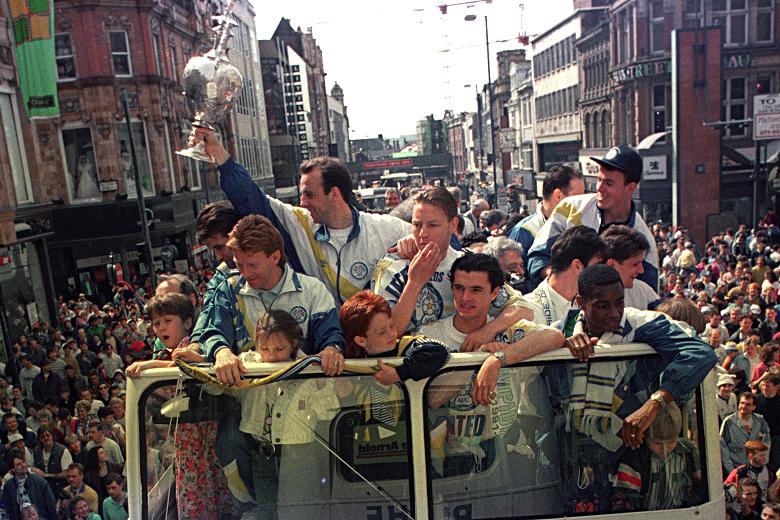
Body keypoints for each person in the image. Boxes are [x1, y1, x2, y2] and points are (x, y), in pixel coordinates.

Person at [556, 264, 716, 511]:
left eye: (619, 303)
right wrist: (563, 342)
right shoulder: (562, 330)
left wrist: (654, 404)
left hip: (626, 458)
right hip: (569, 458)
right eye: (602, 305)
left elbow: (700, 353)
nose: (614, 313)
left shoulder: (639, 323)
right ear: (580, 302)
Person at [191, 129, 411, 304]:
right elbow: (249, 197)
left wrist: (414, 242)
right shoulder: (299, 223)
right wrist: (219, 155)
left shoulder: (386, 229)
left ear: (334, 193)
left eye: (310, 194)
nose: (302, 202)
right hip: (325, 349)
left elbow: (436, 240)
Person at [192, 214, 345, 385]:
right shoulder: (228, 290)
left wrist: (331, 350)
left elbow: (330, 334)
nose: (245, 273)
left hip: (304, 400)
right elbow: (214, 332)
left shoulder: (312, 290)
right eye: (239, 265)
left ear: (275, 257)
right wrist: (222, 353)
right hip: (251, 401)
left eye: (252, 265)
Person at [372, 188, 532, 347]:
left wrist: (489, 330)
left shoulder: (469, 265)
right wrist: (414, 283)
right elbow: (381, 336)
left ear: (453, 224)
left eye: (433, 225)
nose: (422, 234)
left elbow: (524, 309)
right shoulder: (391, 268)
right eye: (417, 225)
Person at [127, 293, 231, 519]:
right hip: (187, 436)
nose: (161, 328)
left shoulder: (193, 345)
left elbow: (184, 365)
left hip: (202, 434)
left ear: (187, 322)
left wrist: (149, 365)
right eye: (156, 323)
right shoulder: (165, 352)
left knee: (203, 491)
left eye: (167, 321)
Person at [235, 310, 341, 519]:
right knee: (267, 510)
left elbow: (328, 413)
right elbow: (221, 390)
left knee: (300, 510)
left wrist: (320, 384)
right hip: (262, 452)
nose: (271, 355)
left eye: (279, 348)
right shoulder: (247, 363)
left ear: (293, 344)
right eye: (264, 348)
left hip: (299, 454)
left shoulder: (309, 367)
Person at [527, 145, 659, 290]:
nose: (599, 188)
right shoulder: (571, 208)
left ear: (630, 187)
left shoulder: (644, 239)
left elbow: (648, 294)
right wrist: (562, 281)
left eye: (608, 183)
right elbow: (537, 257)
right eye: (599, 180)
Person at [340, 290, 449, 383]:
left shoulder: (404, 346)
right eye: (382, 332)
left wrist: (399, 373)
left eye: (391, 326)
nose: (392, 334)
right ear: (361, 340)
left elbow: (440, 351)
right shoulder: (345, 357)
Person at [612, 401, 702, 511]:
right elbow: (623, 499)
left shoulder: (689, 453)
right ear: (644, 436)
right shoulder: (634, 459)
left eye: (672, 441)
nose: (664, 449)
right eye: (657, 443)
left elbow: (699, 488)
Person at [508, 165, 585, 274]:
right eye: (577, 198)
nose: (582, 203)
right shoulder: (523, 232)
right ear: (558, 195)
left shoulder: (580, 225)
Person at [528, 226, 605, 327]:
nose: (602, 273)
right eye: (597, 266)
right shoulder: (529, 311)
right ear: (577, 266)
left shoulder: (589, 303)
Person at [601, 225, 661, 310]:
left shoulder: (644, 293)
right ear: (611, 265)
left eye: (641, 263)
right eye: (635, 264)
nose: (641, 271)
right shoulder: (586, 297)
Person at [721, 392, 772, 474]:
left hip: (756, 467)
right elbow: (723, 447)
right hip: (736, 467)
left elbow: (766, 442)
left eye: (748, 404)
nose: (744, 406)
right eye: (742, 403)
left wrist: (763, 461)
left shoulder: (759, 420)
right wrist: (731, 470)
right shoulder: (729, 422)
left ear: (754, 407)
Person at [1, 449, 57, 520]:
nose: (23, 465)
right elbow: (7, 509)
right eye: (19, 464)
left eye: (23, 462)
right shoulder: (8, 486)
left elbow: (51, 507)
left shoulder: (40, 482)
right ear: (12, 469)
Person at [30, 427, 71, 497]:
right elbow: (31, 468)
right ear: (39, 439)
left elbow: (67, 473)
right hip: (41, 487)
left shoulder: (62, 450)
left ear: (52, 436)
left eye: (48, 435)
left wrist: (46, 475)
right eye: (42, 437)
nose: (46, 438)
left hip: (59, 487)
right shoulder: (36, 451)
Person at [84, 447, 122, 517]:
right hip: (99, 502)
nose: (105, 454)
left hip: (114, 500)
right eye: (101, 453)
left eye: (104, 451)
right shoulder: (90, 474)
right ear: (96, 457)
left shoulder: (116, 467)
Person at [757, 370, 780, 474]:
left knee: (774, 463)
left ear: (776, 387)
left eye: (768, 386)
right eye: (763, 385)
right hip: (760, 437)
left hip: (776, 437)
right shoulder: (757, 400)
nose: (764, 388)